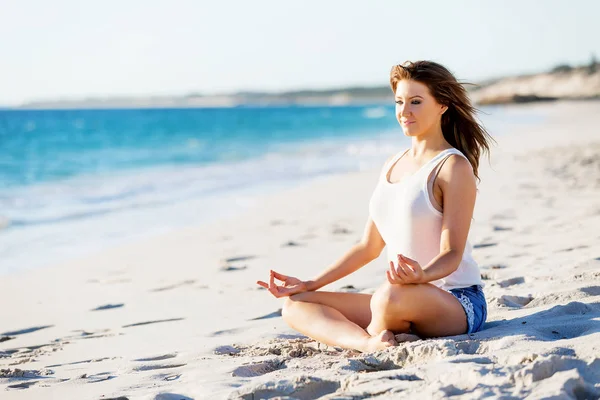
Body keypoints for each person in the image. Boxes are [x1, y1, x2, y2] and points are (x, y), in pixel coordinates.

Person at [257, 60, 494, 353]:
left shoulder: (452, 166)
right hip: (400, 296)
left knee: (388, 296)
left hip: (456, 301)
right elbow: (368, 246)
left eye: (416, 102)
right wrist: (310, 283)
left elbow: (452, 254)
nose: (404, 111)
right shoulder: (392, 164)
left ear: (443, 105)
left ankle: (380, 329)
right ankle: (368, 343)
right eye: (399, 102)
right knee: (295, 305)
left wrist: (421, 276)